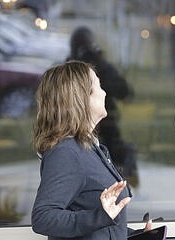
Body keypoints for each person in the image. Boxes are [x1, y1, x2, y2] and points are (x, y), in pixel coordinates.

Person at [31, 61, 150, 239]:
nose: (104, 92)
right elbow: (43, 218)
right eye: (98, 86)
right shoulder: (66, 153)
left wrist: (137, 235)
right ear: (80, 98)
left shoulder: (90, 148)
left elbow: (102, 224)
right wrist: (99, 216)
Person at [67, 26, 138, 186]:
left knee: (114, 156)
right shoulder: (68, 70)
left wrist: (102, 67)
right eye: (81, 46)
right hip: (75, 126)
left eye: (88, 46)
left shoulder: (102, 66)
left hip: (107, 124)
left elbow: (125, 92)